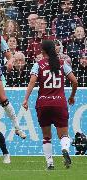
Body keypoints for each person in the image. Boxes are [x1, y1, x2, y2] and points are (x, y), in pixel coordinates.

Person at [22, 40, 78, 170]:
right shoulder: (63, 64)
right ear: (54, 50)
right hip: (59, 103)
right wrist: (72, 96)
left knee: (46, 137)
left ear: (42, 51)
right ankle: (64, 148)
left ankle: (50, 163)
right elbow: (75, 81)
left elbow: (31, 82)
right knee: (64, 135)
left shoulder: (38, 65)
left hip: (43, 104)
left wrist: (25, 99)